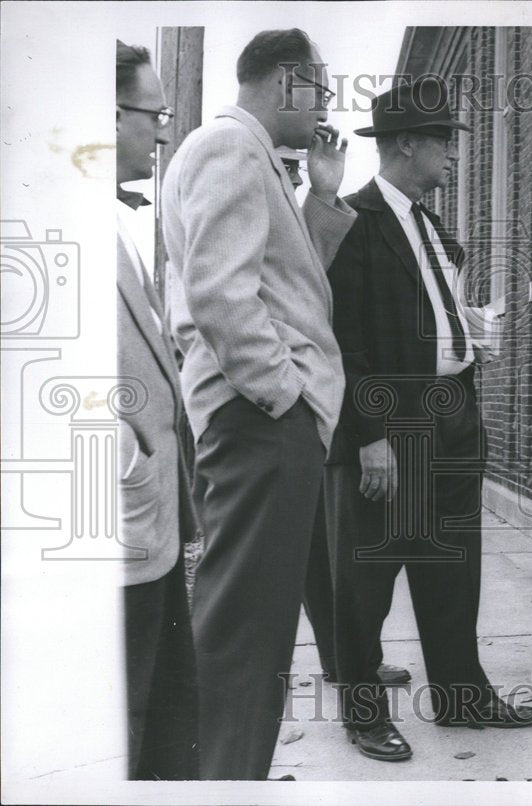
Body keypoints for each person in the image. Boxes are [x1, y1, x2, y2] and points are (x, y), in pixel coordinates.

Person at [161, 28, 356, 780]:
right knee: (246, 628)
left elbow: (284, 282)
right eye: (322, 92)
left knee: (255, 622)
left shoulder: (252, 158)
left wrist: (322, 195)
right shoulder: (229, 149)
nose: (325, 107)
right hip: (262, 420)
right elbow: (220, 293)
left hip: (261, 419)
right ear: (287, 83)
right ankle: (219, 777)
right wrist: (287, 397)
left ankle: (223, 769)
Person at [326, 78, 532, 762]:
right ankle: (363, 714)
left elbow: (432, 318)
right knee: (368, 583)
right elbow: (344, 340)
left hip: (452, 419)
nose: (453, 154)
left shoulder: (432, 225)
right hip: (394, 429)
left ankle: (460, 696)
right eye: (444, 140)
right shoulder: (353, 221)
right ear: (407, 144)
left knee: (453, 571)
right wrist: (370, 436)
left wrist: (470, 333)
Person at [277, 146, 411, 688]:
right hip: (292, 400)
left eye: (293, 167)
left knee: (329, 547)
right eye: (283, 168)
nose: (290, 175)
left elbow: (312, 274)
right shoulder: (252, 208)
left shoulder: (303, 213)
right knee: (319, 550)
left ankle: (348, 659)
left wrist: (325, 192)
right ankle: (343, 661)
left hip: (324, 404)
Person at [115, 39, 198, 780]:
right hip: (110, 529)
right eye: (153, 115)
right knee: (124, 722)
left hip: (149, 523)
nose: (163, 134)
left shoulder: (110, 224)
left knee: (160, 715)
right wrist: (126, 461)